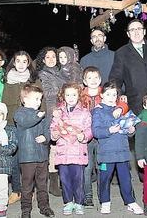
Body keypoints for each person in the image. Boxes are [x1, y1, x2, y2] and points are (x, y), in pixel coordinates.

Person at [91, 82, 144, 215]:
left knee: (125, 178)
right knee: (104, 178)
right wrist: (109, 130)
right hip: (106, 153)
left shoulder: (121, 109)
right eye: (108, 94)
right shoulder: (98, 111)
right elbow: (96, 132)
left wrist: (131, 130)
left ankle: (130, 201)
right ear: (102, 95)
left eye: (114, 94)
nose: (111, 97)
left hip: (122, 151)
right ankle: (105, 201)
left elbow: (128, 128)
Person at [1, 51, 44, 204]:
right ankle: (16, 190)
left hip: (31, 126)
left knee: (30, 160)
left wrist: (41, 122)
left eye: (24, 61)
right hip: (12, 124)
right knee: (14, 159)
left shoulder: (34, 80)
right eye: (17, 61)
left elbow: (42, 104)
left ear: (28, 63)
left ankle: (30, 190)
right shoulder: (8, 81)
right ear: (13, 62)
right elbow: (4, 104)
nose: (20, 64)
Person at [50, 83, 93, 215]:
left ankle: (79, 202)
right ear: (63, 96)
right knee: (64, 179)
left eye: (74, 94)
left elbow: (89, 129)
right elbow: (53, 127)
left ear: (79, 96)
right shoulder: (58, 113)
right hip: (63, 152)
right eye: (67, 94)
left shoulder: (85, 112)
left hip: (78, 151)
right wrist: (54, 134)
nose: (71, 97)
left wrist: (84, 136)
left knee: (78, 179)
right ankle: (68, 202)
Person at [14, 84, 55, 218]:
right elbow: (26, 122)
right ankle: (25, 209)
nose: (39, 102)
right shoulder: (19, 113)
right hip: (27, 157)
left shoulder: (41, 115)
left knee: (42, 184)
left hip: (42, 156)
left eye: (40, 99)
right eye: (36, 99)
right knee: (27, 185)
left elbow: (47, 131)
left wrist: (45, 138)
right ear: (25, 99)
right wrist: (38, 116)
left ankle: (44, 206)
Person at [109, 19, 147, 114]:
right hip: (138, 104)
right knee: (145, 128)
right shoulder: (121, 53)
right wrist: (120, 94)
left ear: (144, 31)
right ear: (128, 34)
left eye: (139, 28)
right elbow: (115, 78)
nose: (136, 32)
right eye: (132, 30)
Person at [36, 46, 67, 196]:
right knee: (52, 147)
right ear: (43, 59)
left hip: (62, 111)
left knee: (61, 145)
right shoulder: (42, 74)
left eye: (53, 57)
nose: (51, 59)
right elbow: (46, 93)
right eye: (47, 57)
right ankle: (53, 183)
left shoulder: (60, 72)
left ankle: (61, 180)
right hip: (50, 112)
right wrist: (65, 91)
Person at [81, 66, 102, 207]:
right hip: (86, 139)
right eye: (89, 78)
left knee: (102, 167)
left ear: (100, 79)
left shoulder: (106, 94)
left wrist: (122, 106)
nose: (93, 81)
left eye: (96, 78)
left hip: (102, 139)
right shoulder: (80, 96)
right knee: (87, 169)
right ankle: (88, 196)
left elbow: (120, 104)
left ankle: (103, 195)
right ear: (84, 81)